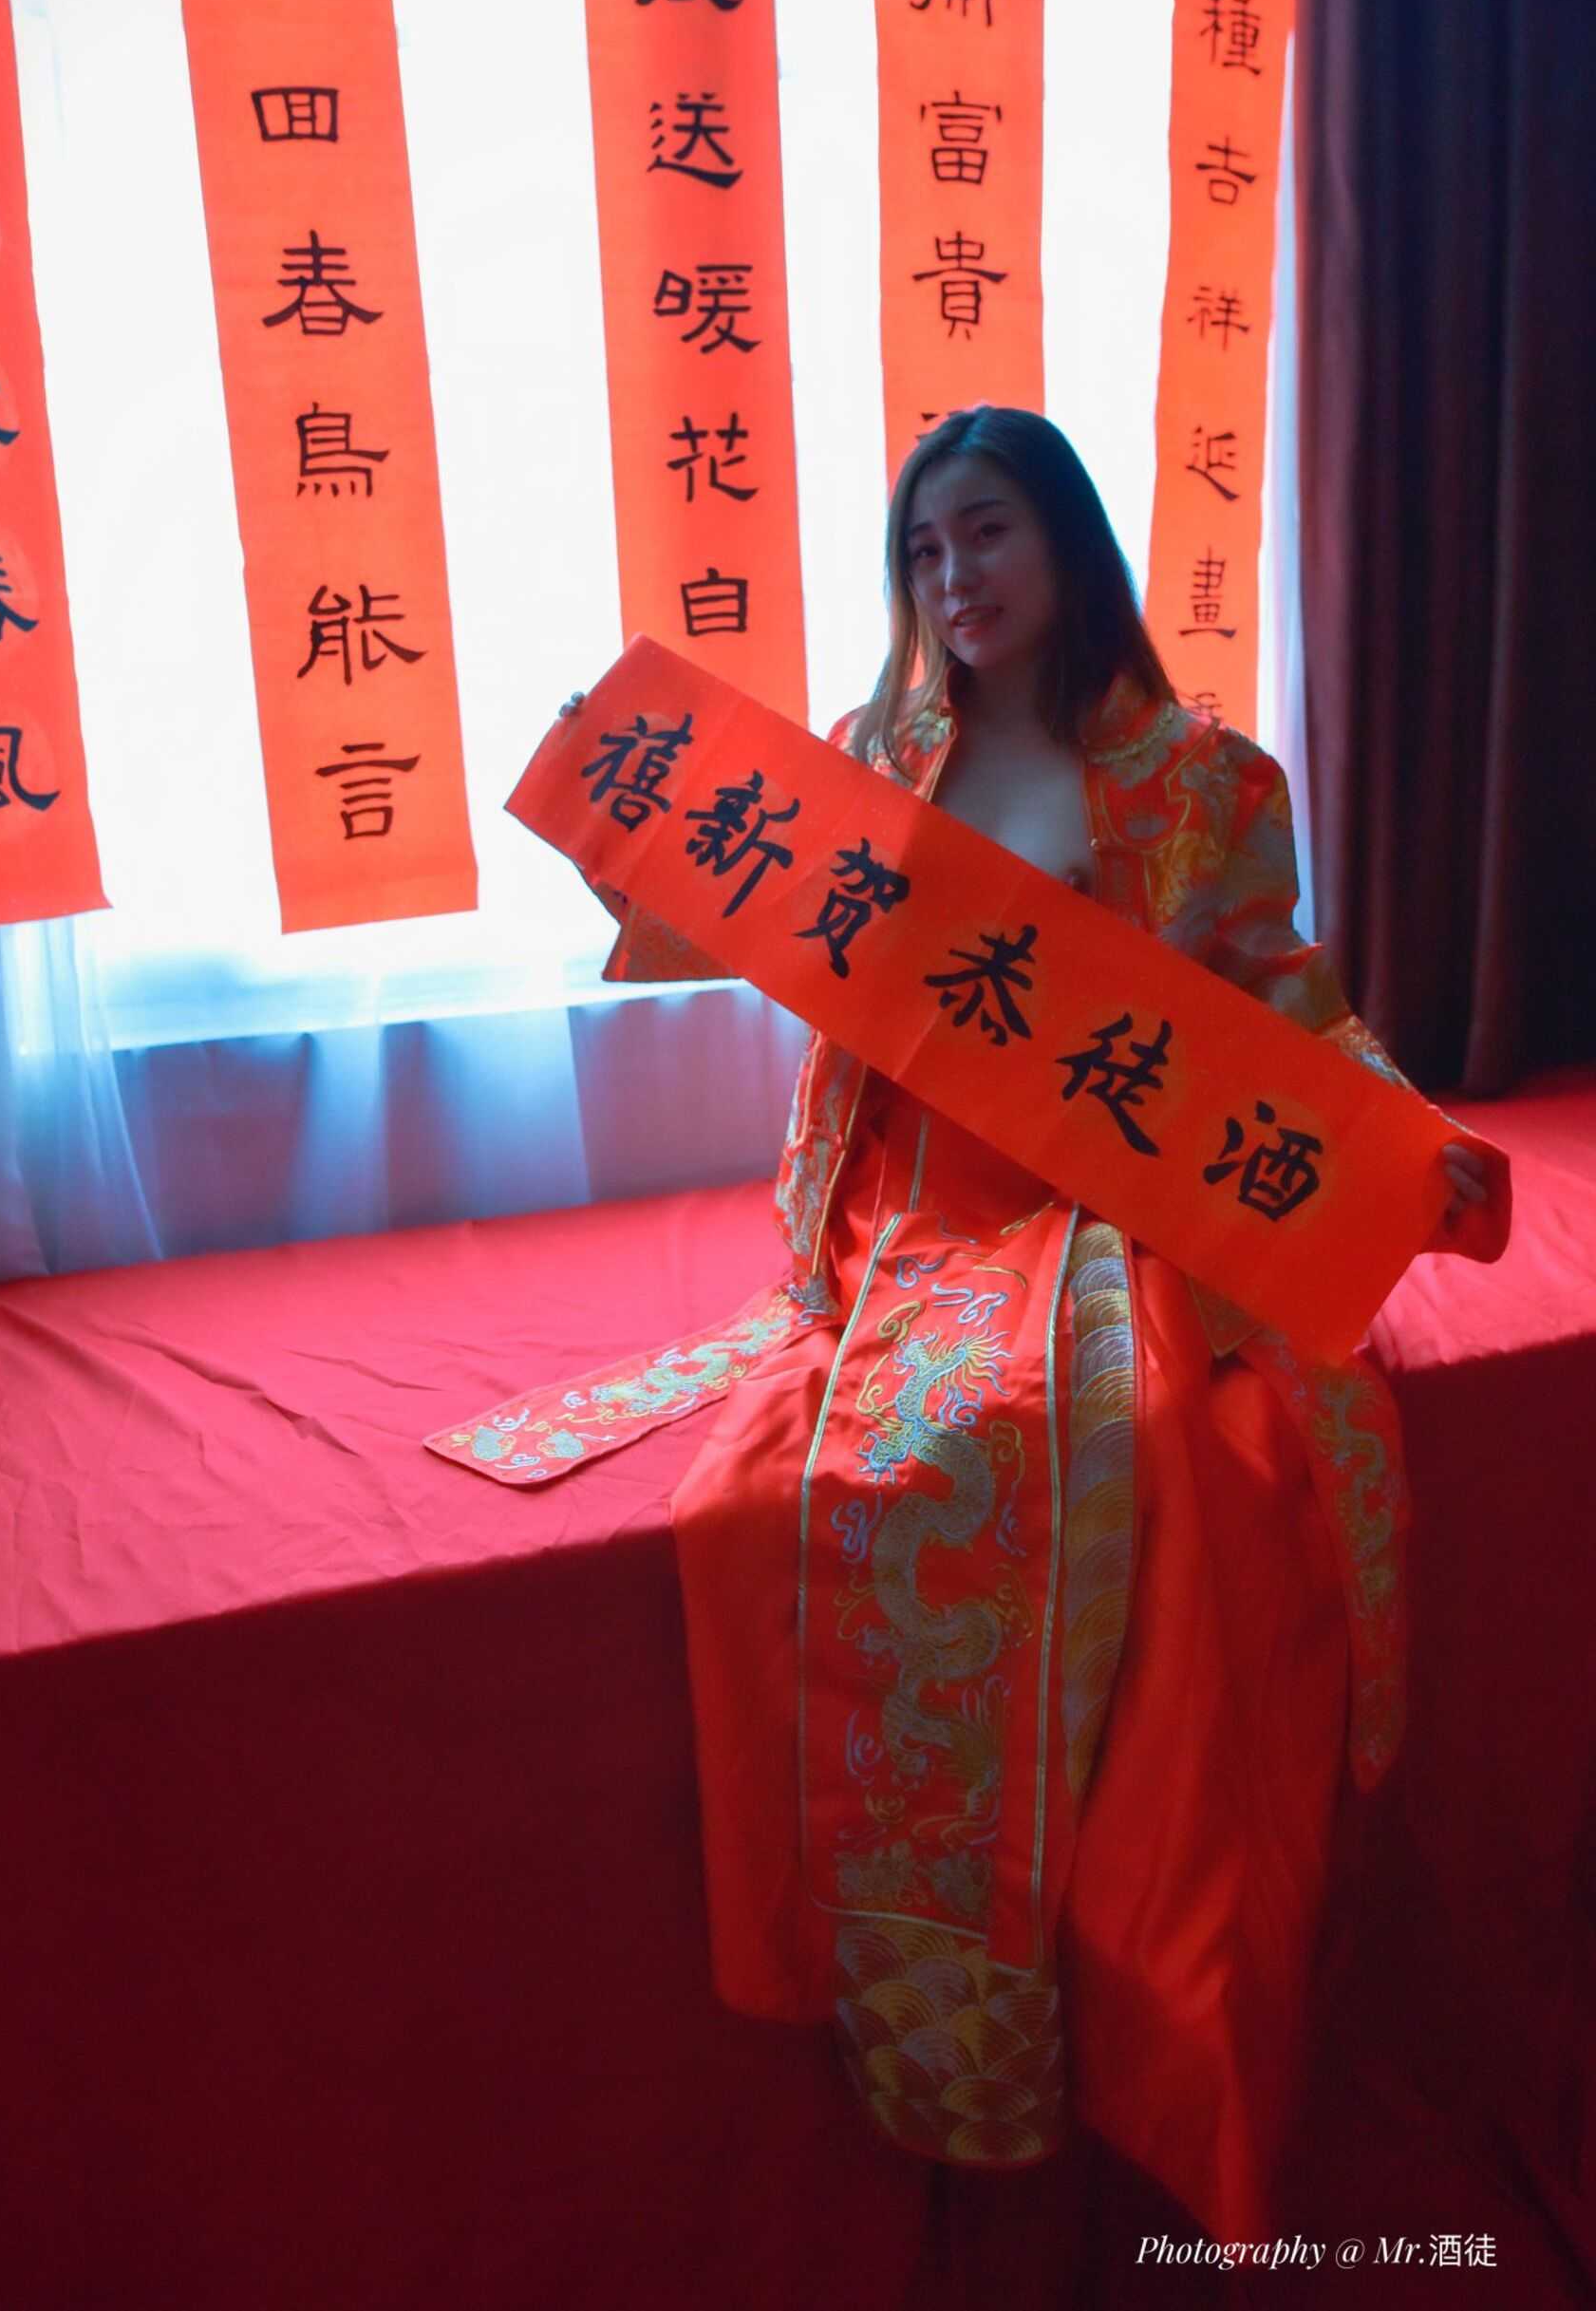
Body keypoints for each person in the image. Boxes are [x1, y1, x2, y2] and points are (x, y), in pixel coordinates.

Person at [438, 407, 1509, 2266]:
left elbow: (1287, 1004)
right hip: (912, 1194)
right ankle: (915, 1972)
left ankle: (1124, 1973)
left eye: (988, 531)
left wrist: (1397, 1132)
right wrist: (627, 823)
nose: (955, 577)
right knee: (812, 1483)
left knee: (1140, 1432)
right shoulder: (879, 758)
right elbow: (747, 924)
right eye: (925, 551)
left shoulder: (1203, 781)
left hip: (1107, 1202)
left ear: (1068, 539)